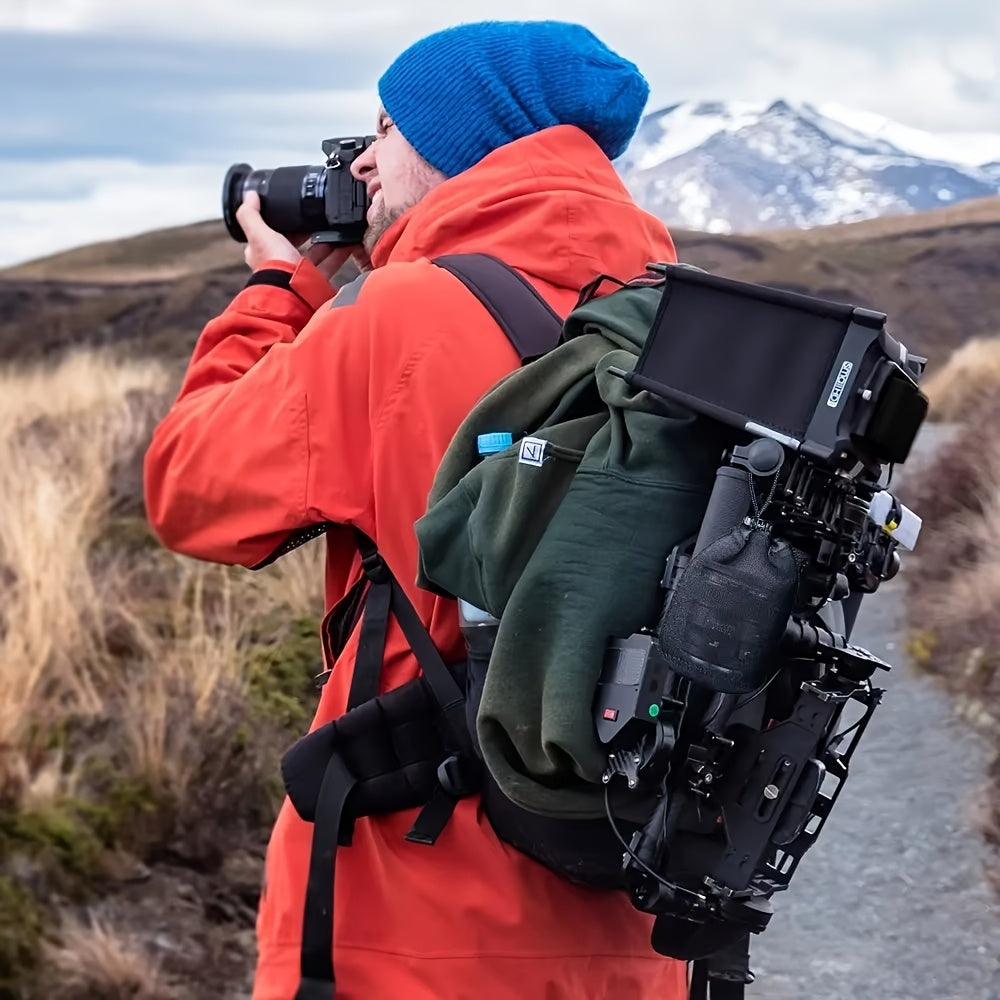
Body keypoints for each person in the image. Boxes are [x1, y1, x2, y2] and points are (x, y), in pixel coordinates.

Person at [144, 19, 689, 1000]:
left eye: (386, 128)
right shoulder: (682, 318)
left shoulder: (398, 316)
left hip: (411, 922)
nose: (363, 161)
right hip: (639, 921)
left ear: (458, 141)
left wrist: (278, 288)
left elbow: (187, 488)